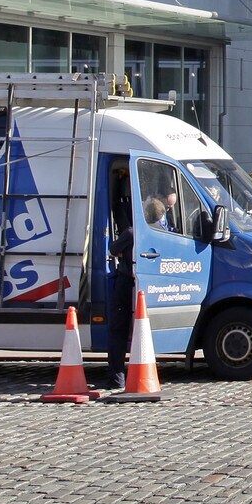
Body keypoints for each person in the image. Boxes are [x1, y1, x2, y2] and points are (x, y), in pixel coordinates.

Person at [103, 159, 135, 391]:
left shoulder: (131, 233)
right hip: (140, 283)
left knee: (118, 330)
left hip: (125, 281)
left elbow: (112, 249)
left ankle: (117, 376)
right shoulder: (155, 233)